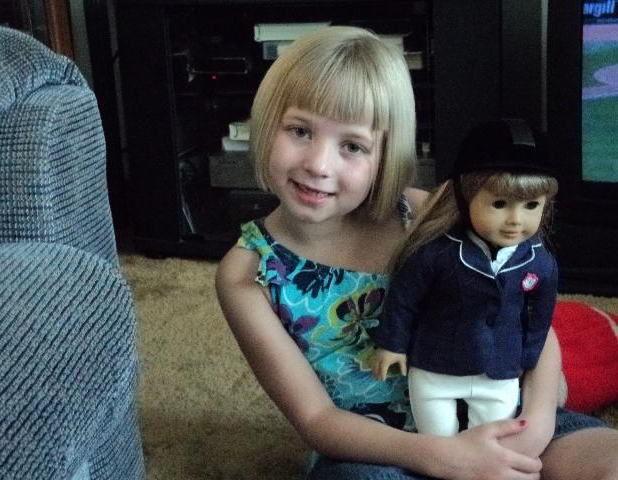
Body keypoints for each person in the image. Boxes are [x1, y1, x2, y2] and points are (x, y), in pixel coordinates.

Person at [215, 25, 618, 480]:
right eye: (300, 131)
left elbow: (530, 319)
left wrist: (538, 422)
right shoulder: (248, 274)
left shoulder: (427, 214)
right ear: (265, 124)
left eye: (352, 145)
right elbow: (317, 420)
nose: (318, 164)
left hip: (500, 413)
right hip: (379, 449)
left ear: (387, 153)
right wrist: (447, 458)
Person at [371, 119, 559, 437]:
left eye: (531, 206)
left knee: (492, 438)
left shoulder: (539, 262)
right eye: (499, 204)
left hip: (499, 368)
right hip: (435, 365)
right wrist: (392, 343)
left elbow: (540, 313)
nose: (516, 220)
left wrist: (529, 355)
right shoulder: (437, 254)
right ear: (464, 196)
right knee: (438, 439)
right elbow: (403, 299)